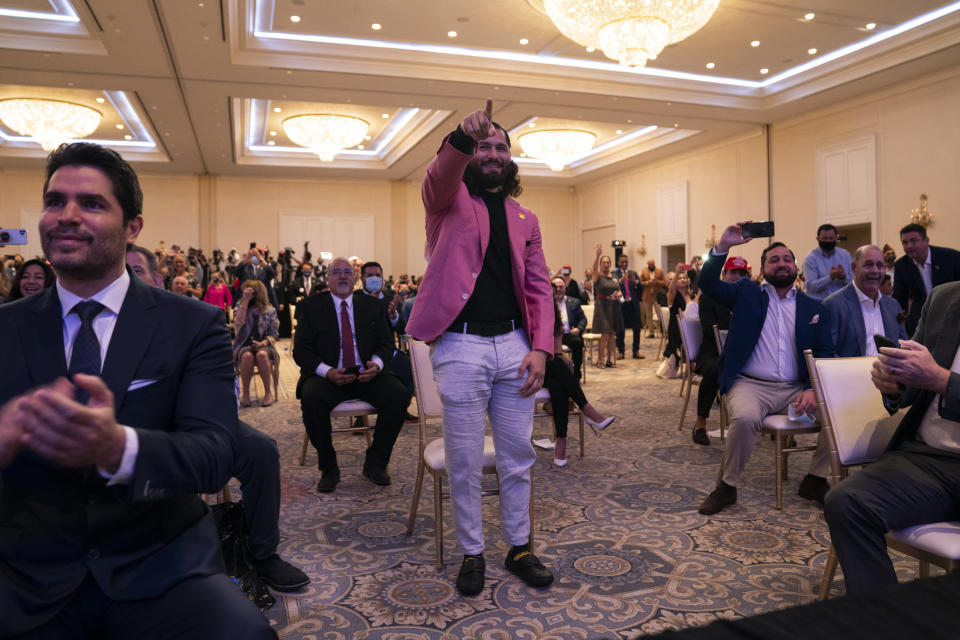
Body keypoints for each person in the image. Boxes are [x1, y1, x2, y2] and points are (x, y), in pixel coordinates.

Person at [0, 142, 273, 638]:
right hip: (25, 569)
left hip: (159, 562)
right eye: (55, 201)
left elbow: (214, 455)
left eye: (92, 203)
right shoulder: (4, 328)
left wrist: (118, 447)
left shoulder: (191, 324)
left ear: (133, 227)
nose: (67, 215)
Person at [405, 99, 554, 596]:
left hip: (515, 345)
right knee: (465, 459)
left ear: (510, 160)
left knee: (517, 456)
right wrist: (461, 138)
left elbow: (539, 286)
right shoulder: (447, 202)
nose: (493, 153)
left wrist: (541, 348)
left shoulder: (525, 217)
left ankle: (518, 547)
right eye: (485, 146)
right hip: (460, 347)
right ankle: (472, 551)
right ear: (472, 154)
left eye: (501, 148)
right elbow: (437, 178)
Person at [126, 244, 309, 593]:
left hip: (197, 419)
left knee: (261, 450)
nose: (127, 280)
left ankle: (263, 553)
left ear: (156, 278)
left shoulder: (187, 318)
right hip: (135, 431)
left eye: (135, 271)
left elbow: (216, 380)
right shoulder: (104, 323)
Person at [824, 280, 960, 595]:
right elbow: (917, 381)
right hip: (928, 458)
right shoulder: (944, 298)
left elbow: (936, 378)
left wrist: (941, 380)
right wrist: (896, 383)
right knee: (847, 502)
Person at [696, 223, 835, 516]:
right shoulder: (746, 293)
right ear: (762, 269)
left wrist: (812, 388)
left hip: (795, 390)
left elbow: (823, 353)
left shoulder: (815, 307)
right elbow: (707, 284)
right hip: (750, 385)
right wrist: (722, 247)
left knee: (836, 413)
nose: (782, 263)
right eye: (774, 259)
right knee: (745, 418)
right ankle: (727, 486)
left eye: (787, 259)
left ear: (796, 268)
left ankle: (815, 479)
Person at [293, 257, 406, 492]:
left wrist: (376, 364)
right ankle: (329, 467)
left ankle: (376, 462)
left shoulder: (373, 306)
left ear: (355, 279)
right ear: (328, 278)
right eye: (337, 272)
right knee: (311, 399)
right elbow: (301, 351)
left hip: (366, 373)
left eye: (347, 272)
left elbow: (387, 344)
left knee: (399, 394)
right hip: (329, 375)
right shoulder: (312, 307)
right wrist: (327, 372)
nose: (342, 276)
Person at [536, 302, 616, 466]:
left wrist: (563, 361)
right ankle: (586, 410)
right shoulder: (528, 313)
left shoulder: (553, 316)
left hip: (551, 368)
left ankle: (561, 443)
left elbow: (557, 351)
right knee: (558, 369)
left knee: (558, 383)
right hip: (531, 368)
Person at [690, 256, 748, 446]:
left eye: (742, 273)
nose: (737, 277)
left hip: (741, 352)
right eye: (733, 272)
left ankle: (772, 424)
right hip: (712, 351)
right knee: (715, 369)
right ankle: (700, 424)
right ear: (723, 274)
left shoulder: (747, 298)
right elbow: (709, 328)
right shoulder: (709, 296)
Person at [823, 245, 907, 357]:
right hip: (851, 373)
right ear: (854, 268)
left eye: (880, 265)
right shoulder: (833, 304)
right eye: (868, 265)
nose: (875, 271)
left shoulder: (893, 306)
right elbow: (828, 353)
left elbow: (903, 347)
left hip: (890, 372)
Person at [892, 223, 960, 336]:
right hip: (920, 319)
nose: (909, 246)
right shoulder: (901, 266)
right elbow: (899, 298)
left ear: (926, 240)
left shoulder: (951, 258)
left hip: (951, 315)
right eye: (905, 242)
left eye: (913, 241)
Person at [234, 280, 279, 408]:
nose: (247, 294)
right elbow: (238, 323)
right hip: (244, 344)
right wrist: (245, 301)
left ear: (258, 293)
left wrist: (263, 342)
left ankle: (268, 393)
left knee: (262, 355)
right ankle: (246, 394)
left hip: (264, 344)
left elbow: (274, 334)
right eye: (245, 292)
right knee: (247, 357)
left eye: (250, 292)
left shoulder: (269, 310)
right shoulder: (241, 305)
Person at [590, 244, 623, 368]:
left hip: (614, 307)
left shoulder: (614, 276)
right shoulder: (598, 276)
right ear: (600, 264)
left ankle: (609, 360)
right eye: (603, 262)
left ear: (610, 264)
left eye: (608, 262)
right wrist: (598, 255)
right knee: (604, 334)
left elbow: (619, 290)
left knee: (612, 335)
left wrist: (619, 294)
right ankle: (600, 360)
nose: (606, 264)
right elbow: (594, 268)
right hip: (602, 306)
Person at [802, 223, 853, 300]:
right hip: (819, 303)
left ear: (836, 238)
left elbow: (854, 283)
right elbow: (810, 287)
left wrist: (844, 277)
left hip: (842, 302)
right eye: (824, 238)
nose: (828, 241)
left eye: (831, 238)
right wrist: (830, 277)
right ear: (817, 239)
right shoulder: (810, 258)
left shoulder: (845, 255)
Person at [552, 275, 586, 380]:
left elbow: (583, 319)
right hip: (552, 336)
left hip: (569, 335)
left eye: (561, 287)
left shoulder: (574, 302)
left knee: (577, 342)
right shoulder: (547, 303)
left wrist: (579, 328)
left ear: (565, 287)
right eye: (556, 287)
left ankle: (576, 373)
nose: (558, 290)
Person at [615, 253, 644, 360]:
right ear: (618, 263)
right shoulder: (615, 274)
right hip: (621, 305)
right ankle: (621, 352)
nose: (624, 264)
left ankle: (636, 351)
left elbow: (641, 287)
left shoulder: (633, 273)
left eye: (626, 262)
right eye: (622, 262)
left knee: (637, 329)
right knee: (620, 330)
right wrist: (620, 280)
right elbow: (612, 286)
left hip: (633, 305)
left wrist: (635, 281)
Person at [663, 264, 693, 362]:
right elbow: (671, 287)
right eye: (679, 278)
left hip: (690, 325)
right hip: (677, 327)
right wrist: (677, 273)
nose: (682, 279)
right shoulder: (673, 294)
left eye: (684, 277)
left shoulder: (691, 294)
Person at [640, 258, 665, 337]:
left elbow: (664, 282)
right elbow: (640, 282)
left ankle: (663, 331)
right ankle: (651, 332)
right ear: (647, 264)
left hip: (657, 296)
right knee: (648, 315)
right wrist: (648, 282)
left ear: (654, 264)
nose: (651, 266)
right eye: (649, 264)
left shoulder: (659, 271)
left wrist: (657, 282)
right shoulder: (644, 271)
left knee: (660, 314)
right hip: (647, 296)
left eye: (652, 264)